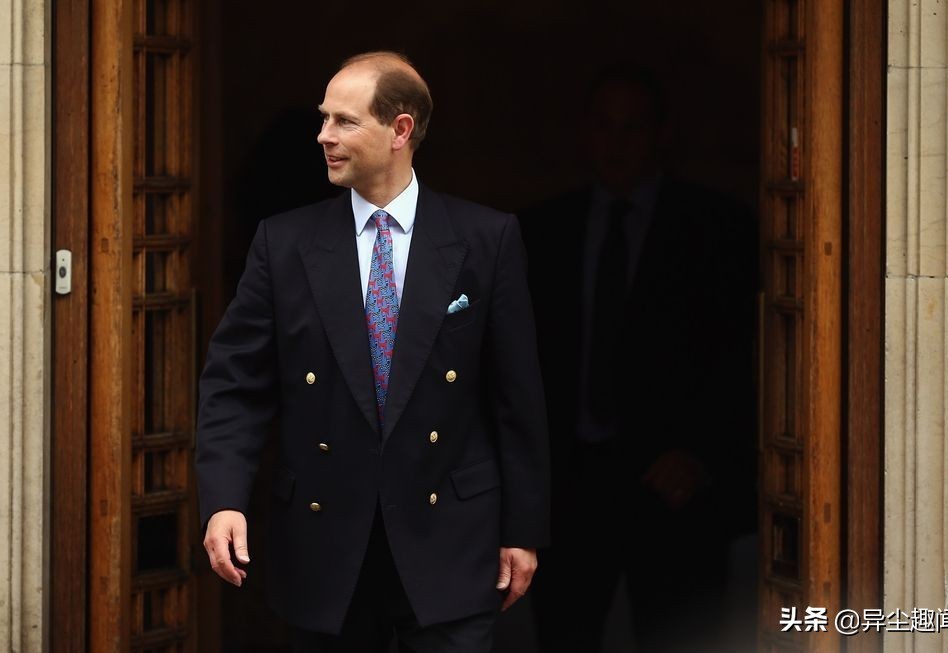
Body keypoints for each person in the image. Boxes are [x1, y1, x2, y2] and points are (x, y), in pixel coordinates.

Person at [195, 51, 549, 653]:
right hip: (324, 542)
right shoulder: (283, 243)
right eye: (324, 118)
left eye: (344, 121)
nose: (323, 135)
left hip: (451, 538)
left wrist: (523, 529)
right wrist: (224, 500)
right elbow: (235, 385)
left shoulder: (486, 239)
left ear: (400, 130)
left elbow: (516, 398)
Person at [521, 63, 757, 652]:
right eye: (605, 126)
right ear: (585, 131)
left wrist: (702, 455)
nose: (617, 143)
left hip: (674, 486)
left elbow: (742, 357)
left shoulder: (717, 227)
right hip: (569, 491)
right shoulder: (541, 230)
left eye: (633, 127)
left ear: (661, 134)